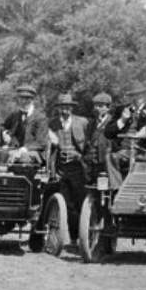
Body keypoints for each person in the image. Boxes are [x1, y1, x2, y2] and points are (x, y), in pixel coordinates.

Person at [47, 93, 91, 242]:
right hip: (60, 169)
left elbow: (89, 145)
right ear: (58, 109)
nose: (64, 111)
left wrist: (81, 158)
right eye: (62, 108)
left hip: (78, 169)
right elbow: (49, 148)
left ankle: (82, 236)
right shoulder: (52, 124)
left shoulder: (83, 123)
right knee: (65, 204)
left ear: (72, 108)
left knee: (81, 202)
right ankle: (71, 238)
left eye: (67, 107)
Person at [104, 86, 146, 184]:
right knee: (110, 157)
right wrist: (122, 120)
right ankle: (117, 189)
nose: (136, 98)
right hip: (123, 151)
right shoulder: (121, 110)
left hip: (144, 150)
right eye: (133, 95)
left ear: (144, 96)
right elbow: (108, 133)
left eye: (139, 95)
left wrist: (144, 132)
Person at [0, 85, 48, 164]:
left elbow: (41, 143)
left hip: (34, 152)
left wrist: (23, 150)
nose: (24, 101)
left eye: (27, 99)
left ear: (33, 100)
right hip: (15, 149)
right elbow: (2, 127)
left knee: (23, 158)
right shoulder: (14, 115)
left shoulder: (41, 118)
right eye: (21, 98)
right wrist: (5, 134)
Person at [85, 93, 115, 185]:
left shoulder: (113, 122)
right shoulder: (92, 123)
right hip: (94, 163)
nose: (97, 108)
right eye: (96, 106)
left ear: (108, 108)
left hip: (106, 161)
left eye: (100, 106)